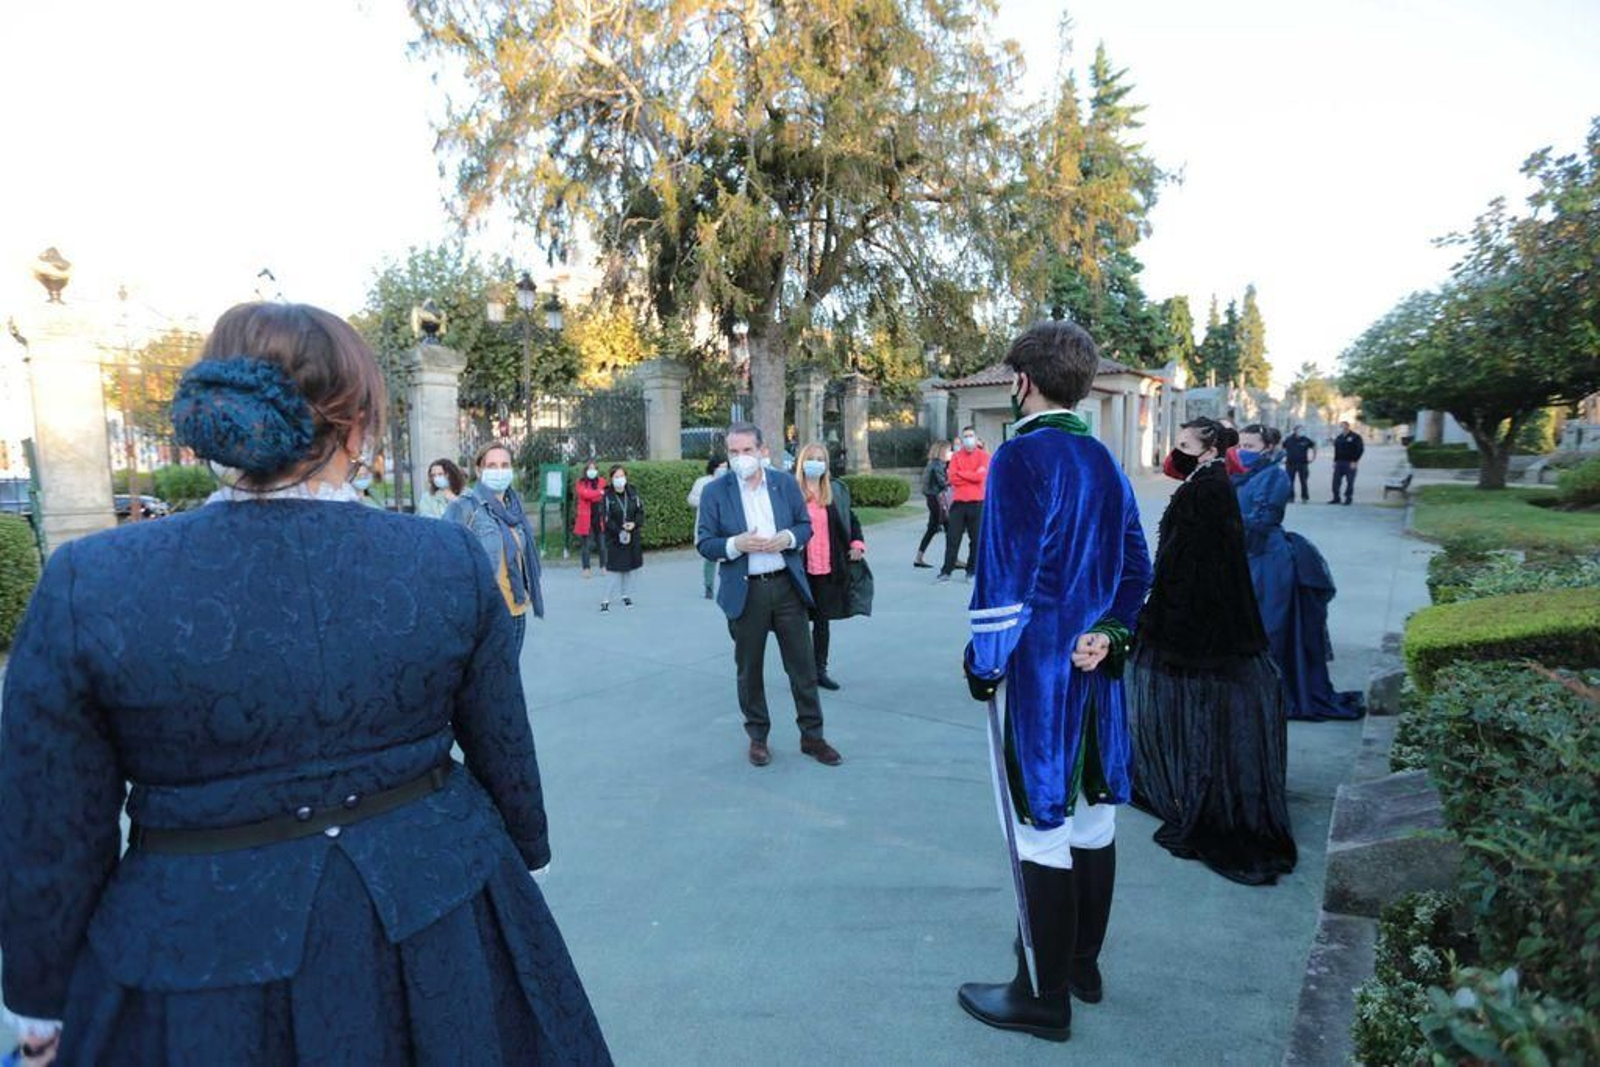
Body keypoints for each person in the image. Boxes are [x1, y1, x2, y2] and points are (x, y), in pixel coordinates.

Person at [0, 302, 608, 1064]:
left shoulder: (93, 579)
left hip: (191, 948)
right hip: (439, 914)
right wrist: (528, 858)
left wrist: (40, 1002)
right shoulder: (443, 558)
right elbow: (503, 742)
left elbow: (50, 818)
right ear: (357, 425)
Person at [958, 321, 1152, 1043]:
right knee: (1094, 818)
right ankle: (1081, 967)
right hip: (1098, 672)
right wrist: (1113, 634)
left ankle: (1042, 996)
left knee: (1042, 828)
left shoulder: (1019, 457)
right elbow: (1138, 571)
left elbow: (1002, 585)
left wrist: (982, 665)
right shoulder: (1105, 461)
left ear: (1024, 382)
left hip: (1041, 673)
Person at [1130, 418, 1297, 886]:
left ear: (1206, 451)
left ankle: (1198, 791)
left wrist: (1162, 609)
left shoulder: (1206, 488)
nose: (1175, 451)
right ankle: (1181, 784)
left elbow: (1192, 562)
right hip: (1196, 613)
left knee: (1193, 704)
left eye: (1183, 444)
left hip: (1194, 620)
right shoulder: (1209, 482)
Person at [696, 422, 841, 767]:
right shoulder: (716, 492)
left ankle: (813, 737)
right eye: (733, 452)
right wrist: (735, 544)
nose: (740, 458)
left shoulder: (784, 484)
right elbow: (705, 542)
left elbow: (804, 526)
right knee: (750, 670)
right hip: (746, 592)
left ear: (763, 451)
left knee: (802, 666)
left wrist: (788, 539)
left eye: (747, 451)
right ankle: (757, 737)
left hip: (786, 586)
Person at [1234, 424, 1364, 721]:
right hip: (1241, 557)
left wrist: (1221, 516)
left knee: (1270, 630)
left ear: (1267, 448)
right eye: (1240, 444)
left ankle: (1273, 696)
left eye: (1250, 446)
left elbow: (1263, 521)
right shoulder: (1237, 474)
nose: (1243, 450)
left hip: (1268, 559)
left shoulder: (1275, 476)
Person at [444, 442, 545, 648]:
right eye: (492, 466)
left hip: (517, 609)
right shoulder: (464, 507)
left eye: (505, 465)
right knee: (486, 678)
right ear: (479, 470)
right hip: (485, 614)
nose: (499, 471)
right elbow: (445, 557)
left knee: (509, 674)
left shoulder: (514, 508)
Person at [796, 442, 870, 691]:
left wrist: (857, 543)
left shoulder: (835, 491)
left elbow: (852, 519)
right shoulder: (791, 491)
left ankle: (820, 670)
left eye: (820, 458)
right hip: (799, 568)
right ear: (802, 461)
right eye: (811, 457)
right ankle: (802, 671)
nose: (815, 462)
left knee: (822, 622)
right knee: (797, 623)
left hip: (828, 566)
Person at [940, 426, 989, 583]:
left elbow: (980, 477)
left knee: (976, 540)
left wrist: (962, 474)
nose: (968, 439)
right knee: (952, 538)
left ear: (976, 438)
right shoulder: (955, 457)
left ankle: (971, 571)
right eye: (965, 436)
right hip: (959, 503)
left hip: (977, 503)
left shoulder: (984, 456)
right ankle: (946, 571)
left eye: (971, 436)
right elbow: (953, 479)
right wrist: (969, 475)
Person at [599, 464, 644, 612]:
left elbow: (640, 512)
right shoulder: (607, 496)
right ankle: (605, 599)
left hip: (632, 536)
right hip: (615, 537)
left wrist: (634, 524)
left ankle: (625, 595)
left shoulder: (633, 493)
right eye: (616, 477)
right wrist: (619, 530)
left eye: (622, 476)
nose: (620, 479)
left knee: (628, 568)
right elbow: (606, 518)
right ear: (611, 479)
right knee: (614, 569)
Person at [688, 455, 727, 599]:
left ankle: (726, 585)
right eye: (720, 467)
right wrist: (707, 501)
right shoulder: (702, 482)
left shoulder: (729, 482)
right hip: (709, 523)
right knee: (710, 557)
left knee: (728, 556)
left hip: (725, 525)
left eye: (725, 467)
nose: (722, 470)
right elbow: (691, 499)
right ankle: (709, 586)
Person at [914, 440, 951, 569]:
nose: (950, 453)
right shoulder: (937, 465)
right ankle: (952, 558)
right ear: (941, 451)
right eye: (948, 450)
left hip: (932, 499)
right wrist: (954, 479)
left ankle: (919, 557)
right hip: (936, 499)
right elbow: (943, 483)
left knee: (937, 528)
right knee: (945, 527)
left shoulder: (933, 463)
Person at [574, 461, 607, 578]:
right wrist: (598, 492)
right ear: (586, 470)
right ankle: (586, 569)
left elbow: (602, 494)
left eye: (594, 468)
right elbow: (584, 494)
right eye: (589, 468)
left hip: (599, 517)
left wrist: (593, 494)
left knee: (602, 544)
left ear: (597, 470)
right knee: (586, 545)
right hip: (586, 519)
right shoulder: (580, 483)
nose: (592, 471)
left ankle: (603, 566)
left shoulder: (602, 481)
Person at [1330, 421, 1364, 504]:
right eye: (1341, 427)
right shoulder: (1339, 437)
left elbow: (1360, 449)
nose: (1343, 428)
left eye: (1344, 426)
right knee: (1335, 482)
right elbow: (1336, 450)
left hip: (1350, 463)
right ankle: (1336, 498)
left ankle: (1348, 498)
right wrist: (1335, 461)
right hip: (1339, 463)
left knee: (1350, 482)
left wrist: (1355, 461)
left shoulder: (1356, 437)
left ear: (1348, 427)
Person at [1281, 426, 1316, 503]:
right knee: (1290, 481)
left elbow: (1314, 446)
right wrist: (1282, 458)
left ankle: (1304, 497)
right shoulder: (1289, 439)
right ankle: (1290, 497)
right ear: (1295, 431)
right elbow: (1281, 448)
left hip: (1303, 464)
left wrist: (1313, 457)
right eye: (1299, 430)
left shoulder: (1306, 440)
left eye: (1302, 430)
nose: (1301, 431)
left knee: (1303, 481)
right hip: (1290, 463)